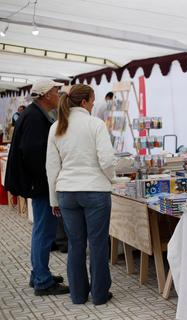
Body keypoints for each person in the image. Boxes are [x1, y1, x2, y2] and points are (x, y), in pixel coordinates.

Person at [46, 84, 116, 305]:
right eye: (93, 100)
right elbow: (106, 160)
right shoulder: (96, 125)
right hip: (95, 191)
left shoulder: (57, 126)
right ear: (84, 102)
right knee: (97, 244)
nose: (95, 104)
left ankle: (78, 295)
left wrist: (53, 199)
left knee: (76, 244)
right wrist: (111, 178)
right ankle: (99, 295)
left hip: (67, 191)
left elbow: (51, 167)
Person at [4, 79, 69, 296]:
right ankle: (42, 280)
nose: (58, 94)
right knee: (44, 231)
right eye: (55, 91)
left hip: (37, 182)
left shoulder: (35, 114)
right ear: (45, 95)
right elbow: (33, 153)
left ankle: (39, 273)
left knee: (41, 230)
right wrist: (48, 178)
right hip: (40, 183)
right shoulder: (34, 117)